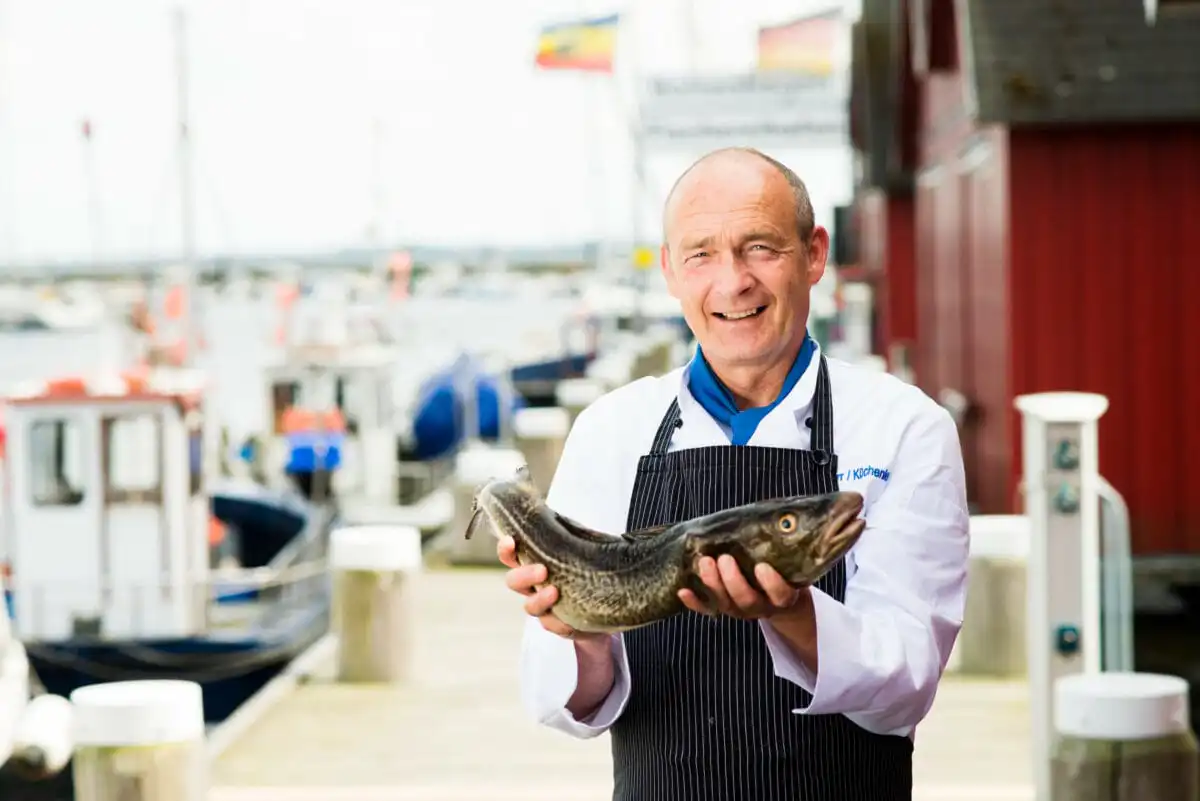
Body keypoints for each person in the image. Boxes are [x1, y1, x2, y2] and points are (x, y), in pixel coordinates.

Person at [498, 147, 969, 801]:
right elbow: (560, 701)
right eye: (701, 254)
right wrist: (583, 634)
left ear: (814, 255)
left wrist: (793, 613)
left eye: (760, 248)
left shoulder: (904, 426)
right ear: (669, 270)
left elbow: (906, 683)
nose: (733, 282)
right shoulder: (610, 429)